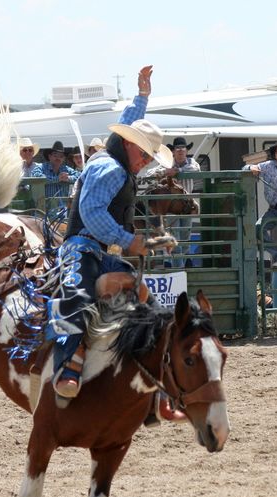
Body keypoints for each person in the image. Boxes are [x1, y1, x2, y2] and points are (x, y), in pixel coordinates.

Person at [48, 66, 182, 423]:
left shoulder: (117, 158)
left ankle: (154, 391)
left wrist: (142, 97)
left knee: (150, 309)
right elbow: (91, 213)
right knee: (76, 298)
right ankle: (67, 368)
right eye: (145, 154)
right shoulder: (110, 169)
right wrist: (131, 240)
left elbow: (128, 123)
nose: (146, 161)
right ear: (130, 145)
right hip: (81, 246)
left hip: (106, 253)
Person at [147, 136, 201, 268]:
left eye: (183, 147)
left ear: (186, 150)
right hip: (172, 207)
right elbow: (150, 173)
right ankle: (179, 268)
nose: (181, 150)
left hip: (187, 205)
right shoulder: (167, 162)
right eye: (178, 148)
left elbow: (196, 170)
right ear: (173, 151)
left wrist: (177, 171)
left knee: (185, 234)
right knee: (176, 235)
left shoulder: (192, 162)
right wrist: (165, 171)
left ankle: (181, 264)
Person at [243, 142, 277, 267]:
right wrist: (250, 168)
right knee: (257, 229)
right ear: (275, 154)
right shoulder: (268, 166)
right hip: (273, 210)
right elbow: (245, 168)